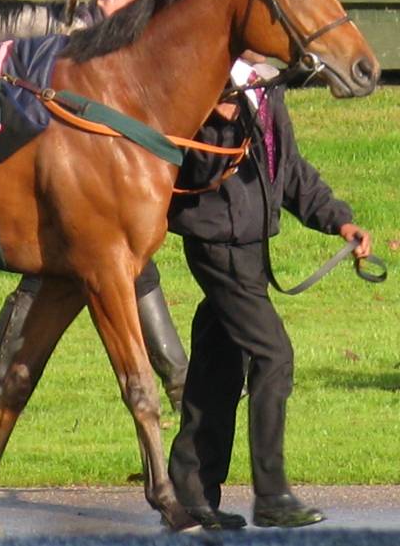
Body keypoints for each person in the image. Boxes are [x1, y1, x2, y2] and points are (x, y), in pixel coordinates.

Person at [0, 0, 189, 417]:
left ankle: (180, 385)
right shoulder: (79, 38)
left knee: (135, 273)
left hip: (105, 188)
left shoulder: (125, 42)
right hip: (55, 183)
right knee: (40, 285)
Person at [166, 54, 373, 530]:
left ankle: (191, 495)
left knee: (219, 367)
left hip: (250, 246)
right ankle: (273, 495)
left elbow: (290, 170)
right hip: (218, 243)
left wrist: (340, 221)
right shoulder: (205, 85)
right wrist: (218, 121)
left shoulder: (265, 86)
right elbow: (196, 171)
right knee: (273, 355)